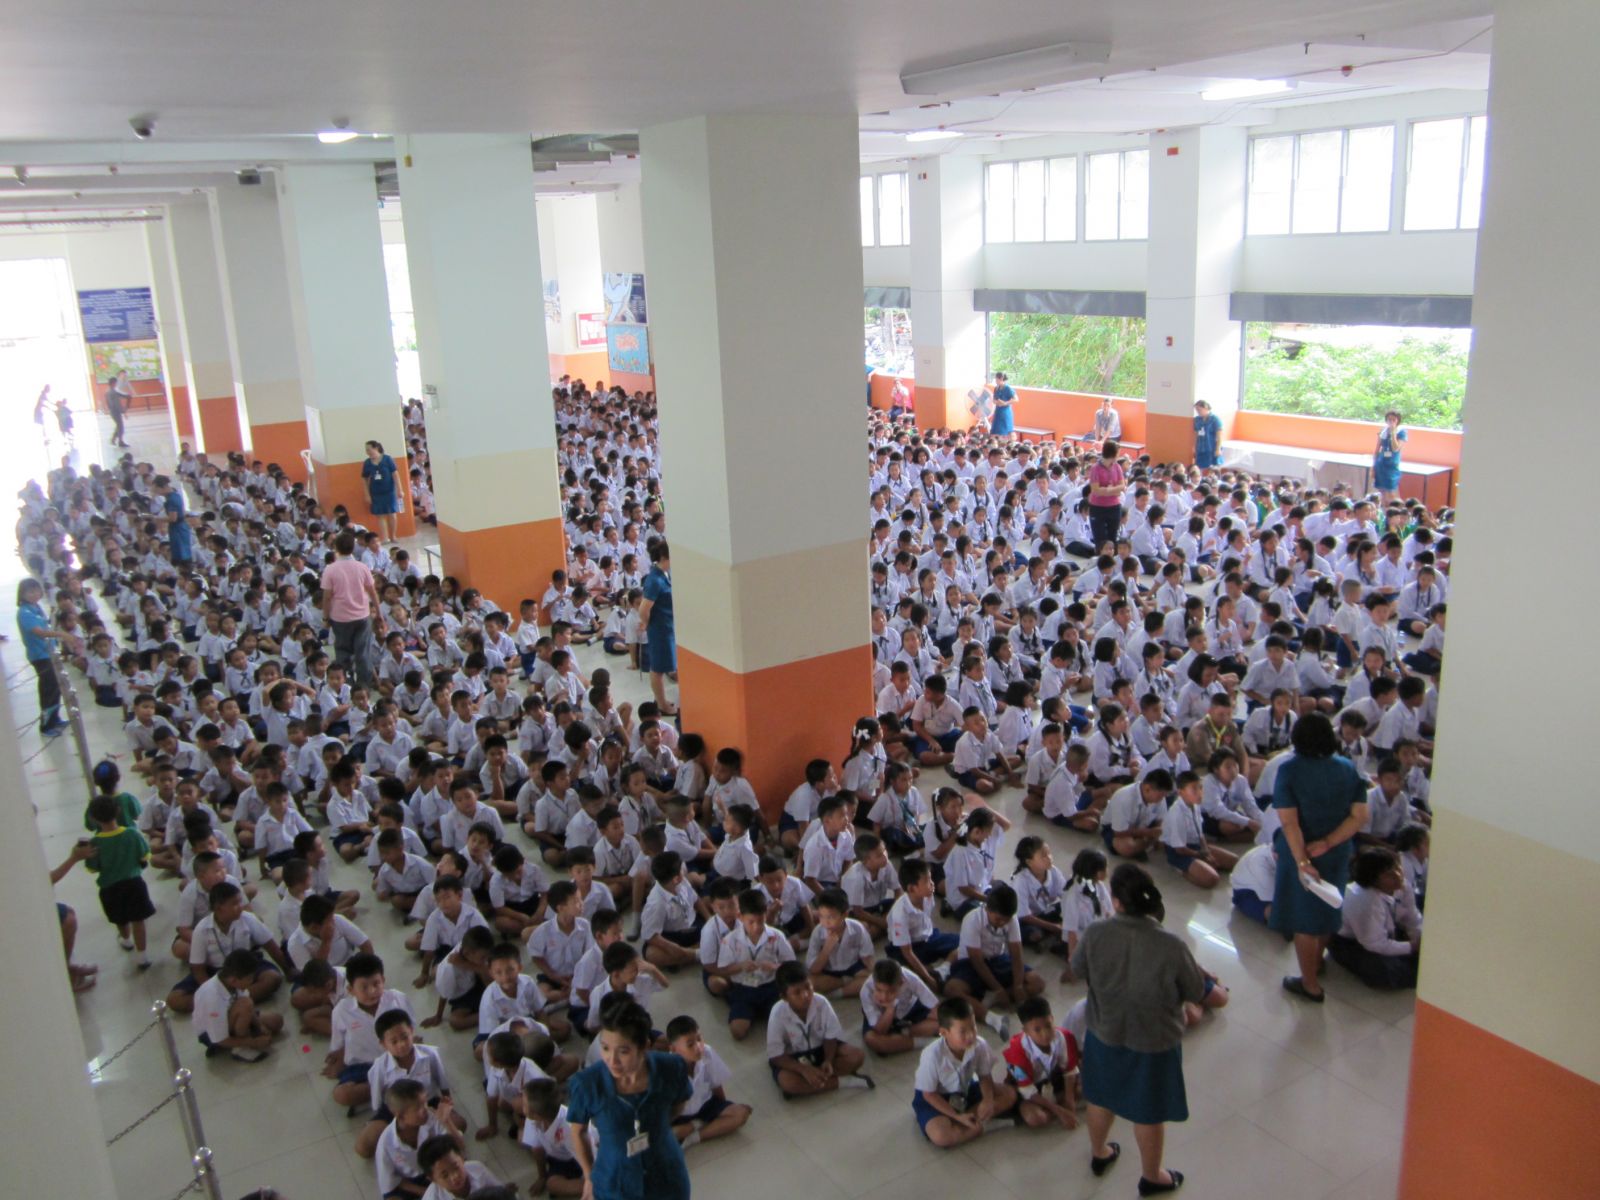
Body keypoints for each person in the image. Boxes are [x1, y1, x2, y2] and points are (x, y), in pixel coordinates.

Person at [1072, 863, 1205, 1196]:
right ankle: (1151, 1176)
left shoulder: (1096, 933)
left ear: (1116, 901)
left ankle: (1099, 1152)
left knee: (1100, 1098)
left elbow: (1077, 968)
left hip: (1104, 1032)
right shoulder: (1171, 945)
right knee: (1148, 1112)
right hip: (1153, 1042)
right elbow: (1194, 990)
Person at [1269, 712, 1370, 1002]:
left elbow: (1290, 822)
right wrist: (1329, 842)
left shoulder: (1290, 770)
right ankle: (1316, 961)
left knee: (1305, 920)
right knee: (1328, 907)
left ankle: (1309, 984)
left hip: (1301, 851)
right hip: (1336, 852)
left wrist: (1302, 861)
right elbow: (1359, 816)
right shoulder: (1347, 768)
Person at [565, 995, 693, 1200]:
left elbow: (679, 1103)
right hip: (614, 1177)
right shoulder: (587, 1084)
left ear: (644, 1047)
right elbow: (578, 1133)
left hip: (665, 1170)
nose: (612, 1060)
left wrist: (657, 1125)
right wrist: (589, 1176)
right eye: (605, 1048)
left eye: (623, 1051)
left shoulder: (671, 1067)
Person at [322, 530, 382, 690]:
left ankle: (345, 687)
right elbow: (372, 592)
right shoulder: (362, 567)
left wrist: (326, 618)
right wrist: (379, 613)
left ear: (336, 548)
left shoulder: (330, 569)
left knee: (343, 652)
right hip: (362, 616)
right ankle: (363, 688)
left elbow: (327, 597)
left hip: (340, 618)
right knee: (363, 653)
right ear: (353, 547)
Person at [17, 577, 67, 736]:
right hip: (40, 656)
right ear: (22, 594)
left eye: (36, 591)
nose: (34, 594)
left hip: (49, 652)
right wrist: (62, 634)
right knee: (48, 690)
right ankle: (46, 726)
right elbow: (40, 632)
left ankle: (55, 719)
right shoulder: (24, 612)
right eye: (29, 592)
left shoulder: (36, 608)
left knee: (56, 687)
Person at [638, 542, 677, 716]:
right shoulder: (654, 580)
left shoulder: (665, 575)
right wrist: (648, 623)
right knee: (658, 669)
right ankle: (661, 703)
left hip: (668, 626)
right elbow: (644, 609)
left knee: (664, 665)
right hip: (660, 629)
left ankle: (661, 700)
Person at [1086, 441, 1126, 552]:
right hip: (1098, 507)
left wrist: (1107, 490)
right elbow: (1096, 490)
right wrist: (1114, 490)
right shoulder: (1096, 468)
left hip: (1114, 507)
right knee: (1100, 539)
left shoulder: (1117, 467)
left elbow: (1122, 486)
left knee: (1113, 536)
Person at [363, 440, 403, 543]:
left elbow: (395, 475)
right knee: (380, 515)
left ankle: (393, 536)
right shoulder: (367, 463)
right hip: (375, 493)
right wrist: (367, 494)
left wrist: (400, 490)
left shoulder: (388, 459)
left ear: (376, 448)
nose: (367, 452)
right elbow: (364, 479)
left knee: (392, 514)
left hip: (389, 491)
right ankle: (385, 538)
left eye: (369, 449)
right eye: (366, 450)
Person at [157, 474, 193, 566]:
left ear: (163, 487)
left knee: (182, 556)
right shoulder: (174, 496)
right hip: (177, 528)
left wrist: (157, 519)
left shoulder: (172, 499)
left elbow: (173, 518)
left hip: (178, 529)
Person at [1373, 410, 1407, 506]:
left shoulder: (1401, 432)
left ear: (1398, 420)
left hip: (1392, 464)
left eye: (1393, 419)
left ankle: (1397, 510)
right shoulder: (1383, 431)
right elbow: (1377, 449)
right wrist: (1373, 467)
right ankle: (1385, 510)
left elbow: (1395, 448)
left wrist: (1393, 434)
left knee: (1392, 492)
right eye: (1389, 419)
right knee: (1382, 491)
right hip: (1381, 463)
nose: (1391, 421)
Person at [1192, 401, 1222, 470]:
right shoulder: (1197, 420)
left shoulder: (1215, 419)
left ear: (1206, 408)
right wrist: (1194, 447)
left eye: (1199, 409)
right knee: (1199, 467)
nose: (1198, 412)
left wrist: (1218, 449)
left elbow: (1219, 436)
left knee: (1212, 468)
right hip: (1200, 448)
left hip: (1211, 447)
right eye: (1196, 410)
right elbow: (1196, 434)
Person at [105, 370, 131, 447]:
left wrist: (127, 396)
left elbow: (109, 402)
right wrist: (123, 411)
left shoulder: (108, 391)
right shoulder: (113, 392)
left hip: (112, 411)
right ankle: (120, 442)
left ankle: (113, 439)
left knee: (118, 426)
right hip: (115, 411)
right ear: (114, 383)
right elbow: (117, 403)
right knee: (120, 426)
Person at [989, 371, 1015, 437]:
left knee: (1005, 431)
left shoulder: (1008, 388)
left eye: (996, 379)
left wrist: (1005, 403)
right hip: (998, 411)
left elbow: (1016, 399)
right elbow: (994, 400)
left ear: (1001, 379)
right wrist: (997, 402)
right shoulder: (996, 388)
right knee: (995, 430)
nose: (995, 380)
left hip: (1005, 412)